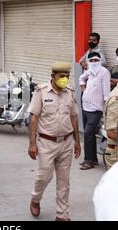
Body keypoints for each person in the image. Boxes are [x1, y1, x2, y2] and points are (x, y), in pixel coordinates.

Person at [27, 62, 81, 221]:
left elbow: (74, 117)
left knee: (64, 180)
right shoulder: (41, 92)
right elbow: (34, 118)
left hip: (66, 142)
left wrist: (77, 142)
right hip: (46, 142)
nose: (64, 79)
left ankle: (62, 214)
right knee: (44, 176)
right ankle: (35, 199)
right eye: (61, 76)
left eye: (67, 76)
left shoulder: (70, 92)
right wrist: (32, 143)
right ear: (53, 76)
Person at [79, 52, 111, 169]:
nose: (93, 62)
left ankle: (88, 161)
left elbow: (106, 93)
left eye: (96, 60)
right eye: (91, 60)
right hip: (85, 107)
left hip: (96, 109)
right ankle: (93, 159)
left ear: (100, 60)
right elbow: (81, 78)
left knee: (87, 134)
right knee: (90, 134)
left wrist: (106, 110)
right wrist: (83, 86)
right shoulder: (90, 72)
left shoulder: (104, 72)